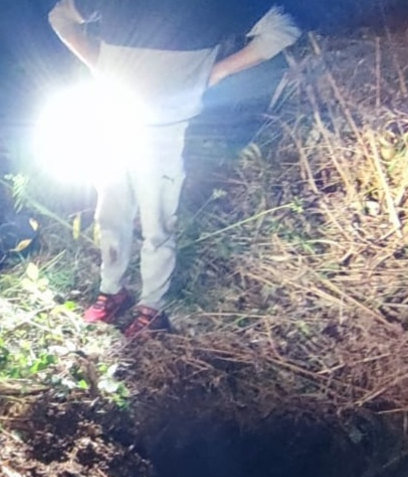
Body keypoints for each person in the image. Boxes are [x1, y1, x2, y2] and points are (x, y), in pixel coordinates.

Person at [49, 0, 302, 337]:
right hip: (112, 122)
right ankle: (111, 291)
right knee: (110, 215)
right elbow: (61, 17)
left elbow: (283, 30)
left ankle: (151, 308)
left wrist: (218, 71)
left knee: (157, 224)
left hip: (164, 135)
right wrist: (98, 63)